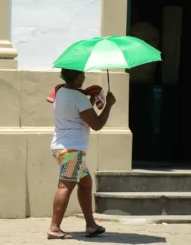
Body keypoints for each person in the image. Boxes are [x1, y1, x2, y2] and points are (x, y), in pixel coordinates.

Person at [47, 68, 116, 239]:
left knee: (85, 183)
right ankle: (54, 228)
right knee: (65, 186)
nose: (85, 77)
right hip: (72, 150)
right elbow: (97, 124)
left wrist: (90, 101)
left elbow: (77, 115)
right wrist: (109, 105)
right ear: (78, 77)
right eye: (83, 75)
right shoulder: (78, 97)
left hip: (62, 146)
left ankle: (91, 225)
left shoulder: (61, 91)